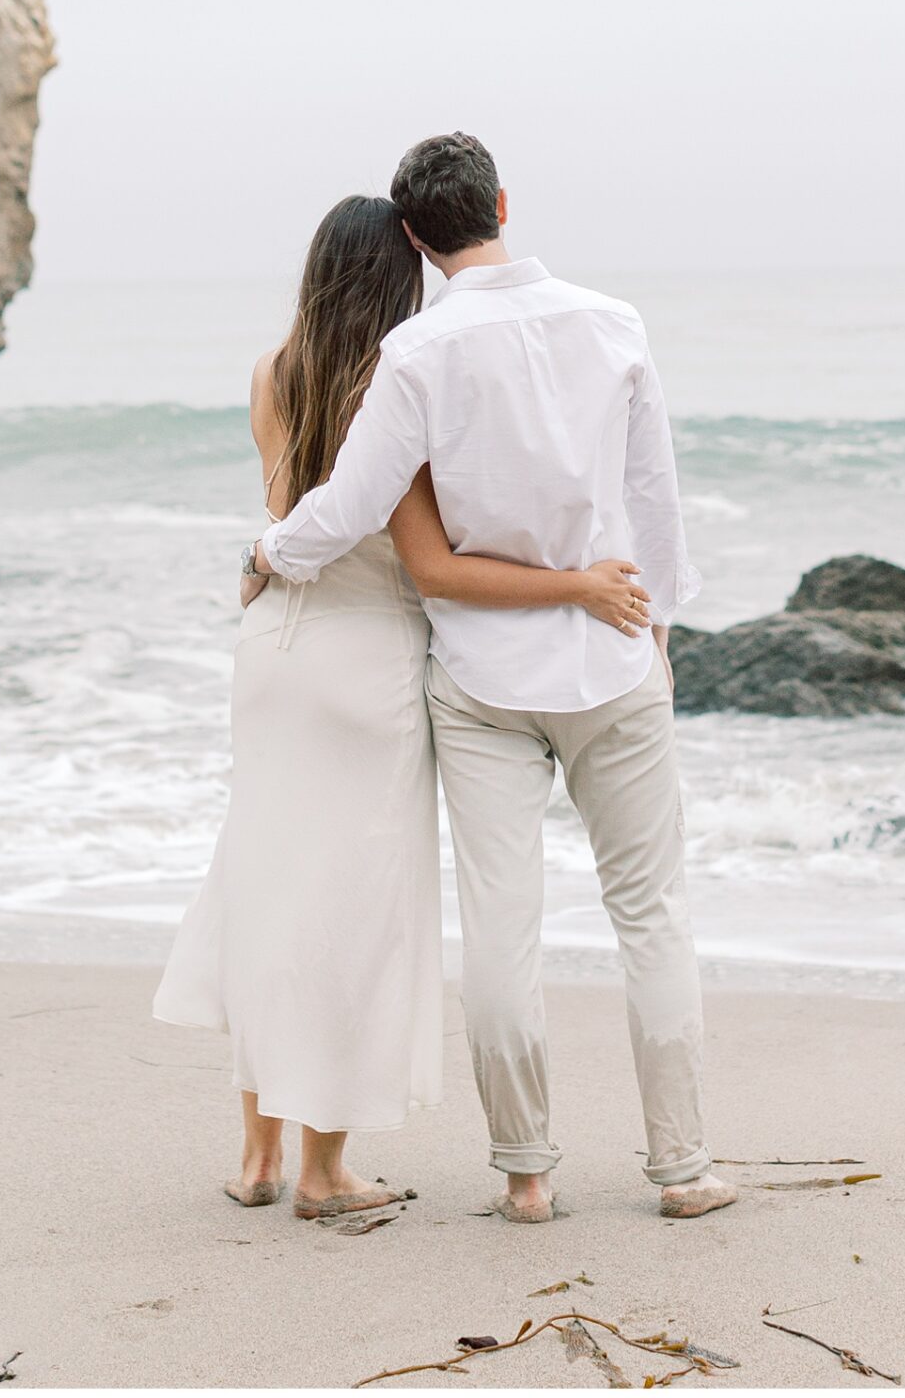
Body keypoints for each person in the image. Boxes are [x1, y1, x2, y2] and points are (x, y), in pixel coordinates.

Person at [254, 134, 737, 1224]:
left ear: (414, 236)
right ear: (503, 204)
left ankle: (526, 1177)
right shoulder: (611, 322)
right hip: (611, 658)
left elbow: (348, 504)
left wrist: (267, 552)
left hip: (480, 678)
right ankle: (682, 1170)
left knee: (500, 928)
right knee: (651, 916)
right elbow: (654, 497)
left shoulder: (414, 353)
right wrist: (659, 625)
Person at [152, 192, 652, 1218]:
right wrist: (576, 582)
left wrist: (258, 560)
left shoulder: (272, 371)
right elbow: (426, 562)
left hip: (273, 650)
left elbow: (288, 521)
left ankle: (255, 1157)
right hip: (367, 662)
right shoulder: (397, 384)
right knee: (350, 915)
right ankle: (323, 1171)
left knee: (265, 888)